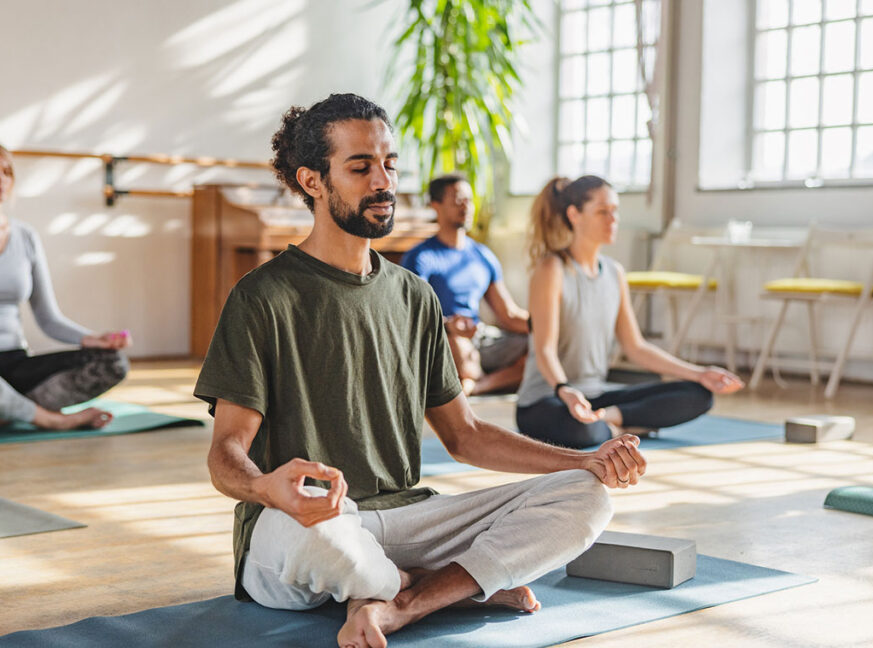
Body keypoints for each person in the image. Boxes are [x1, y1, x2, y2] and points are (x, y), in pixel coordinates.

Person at [195, 94, 647, 648]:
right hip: (302, 524)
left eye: (390, 164)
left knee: (587, 497)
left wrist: (587, 460)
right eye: (361, 168)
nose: (384, 181)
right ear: (312, 181)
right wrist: (267, 486)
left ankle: (403, 603)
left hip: (407, 517)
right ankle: (453, 584)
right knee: (328, 540)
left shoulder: (414, 296)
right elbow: (224, 457)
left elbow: (466, 436)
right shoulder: (262, 297)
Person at [0, 140, 131, 434]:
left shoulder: (26, 237)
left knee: (113, 362)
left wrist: (93, 339)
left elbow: (48, 319)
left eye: (6, 171)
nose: (0, 179)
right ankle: (51, 419)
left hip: (14, 365)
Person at [515, 175, 744, 449]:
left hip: (595, 397)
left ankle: (611, 421)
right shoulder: (551, 269)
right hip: (548, 400)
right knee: (579, 430)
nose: (613, 220)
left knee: (699, 394)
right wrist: (565, 390)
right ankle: (622, 425)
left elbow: (635, 347)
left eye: (615, 211)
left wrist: (698, 373)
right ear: (574, 215)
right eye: (602, 212)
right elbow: (545, 351)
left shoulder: (614, 273)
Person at [401, 174, 529, 395]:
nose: (466, 206)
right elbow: (415, 313)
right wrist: (449, 325)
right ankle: (469, 379)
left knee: (539, 346)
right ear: (436, 205)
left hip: (480, 337)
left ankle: (477, 385)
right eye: (458, 199)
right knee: (457, 343)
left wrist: (547, 326)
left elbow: (507, 313)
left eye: (469, 200)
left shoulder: (483, 255)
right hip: (445, 336)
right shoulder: (420, 257)